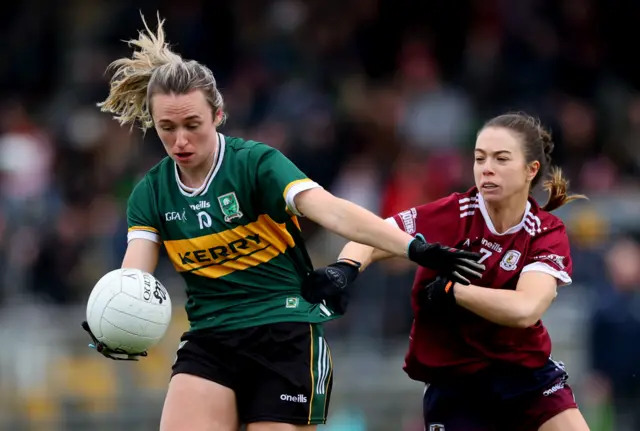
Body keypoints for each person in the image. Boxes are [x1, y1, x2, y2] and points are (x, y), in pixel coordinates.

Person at [80, 14, 484, 431]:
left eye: (192, 125)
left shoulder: (256, 165)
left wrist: (415, 248)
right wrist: (115, 320)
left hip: (284, 333)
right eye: (167, 128)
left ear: (218, 115)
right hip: (210, 339)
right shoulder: (151, 192)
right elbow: (135, 278)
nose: (180, 140)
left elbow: (332, 210)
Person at [304, 113, 592, 431]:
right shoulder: (454, 214)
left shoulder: (545, 231)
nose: (487, 168)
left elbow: (524, 309)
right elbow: (374, 235)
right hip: (456, 382)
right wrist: (346, 268)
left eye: (501, 159)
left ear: (530, 170)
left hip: (524, 375)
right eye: (479, 158)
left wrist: (452, 291)